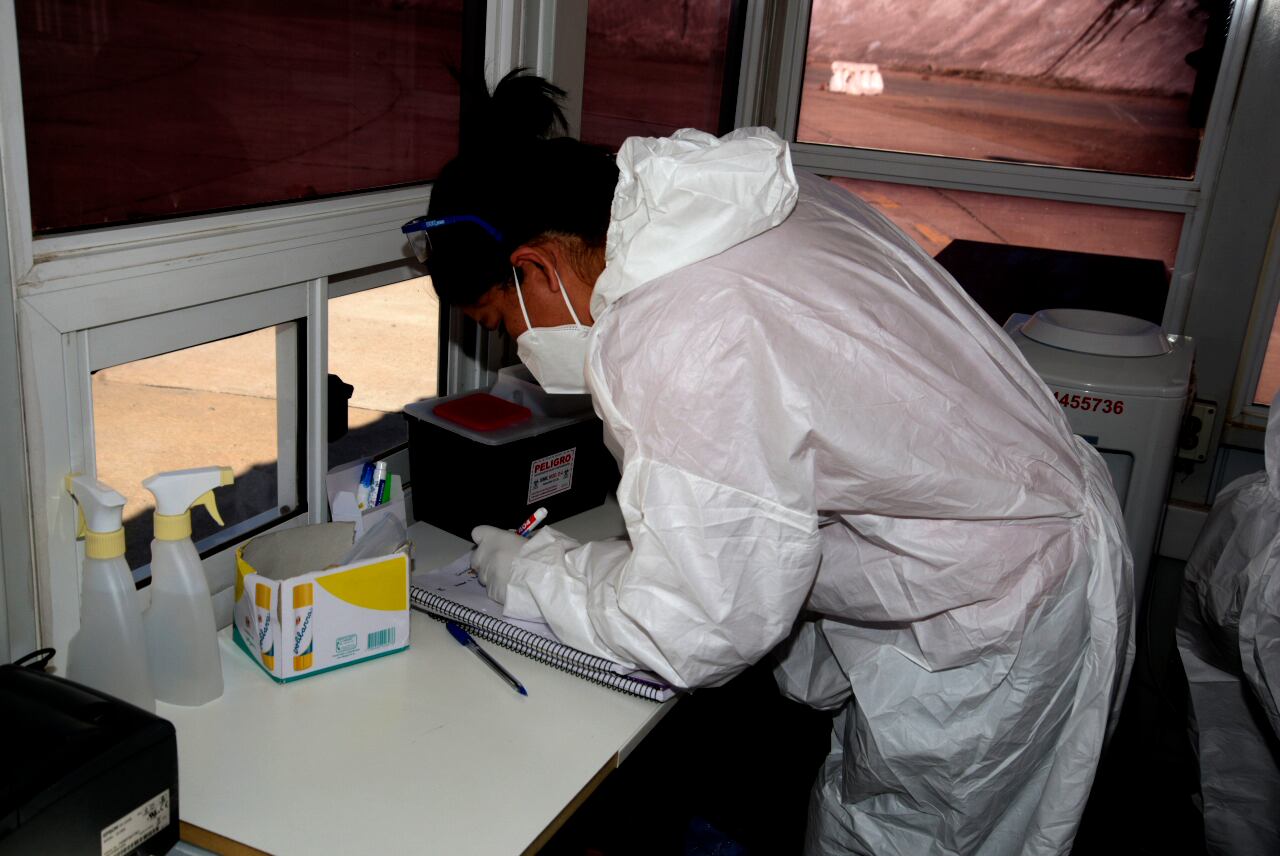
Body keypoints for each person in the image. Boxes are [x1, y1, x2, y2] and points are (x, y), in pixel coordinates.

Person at [410, 70, 1134, 856]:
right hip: (1016, 517)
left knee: (893, 840)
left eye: (499, 321)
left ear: (537, 268)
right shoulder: (728, 205)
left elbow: (690, 628)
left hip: (997, 604)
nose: (516, 348)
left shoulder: (679, 329)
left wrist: (529, 572)